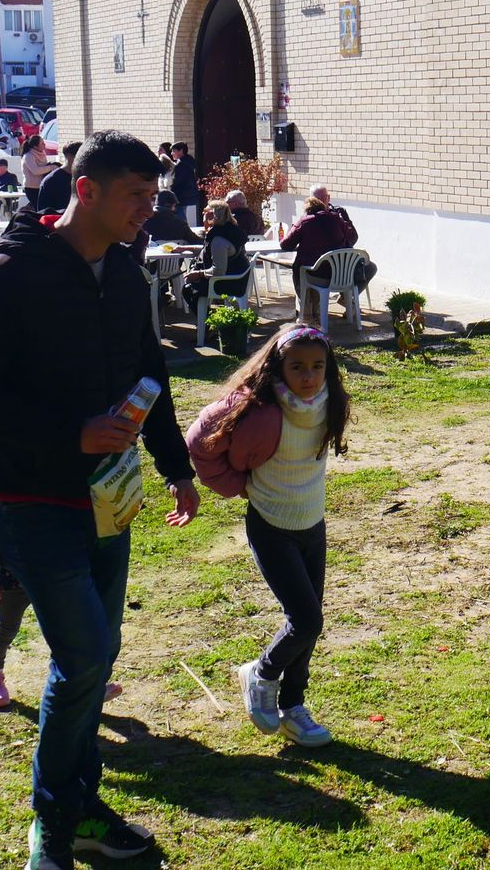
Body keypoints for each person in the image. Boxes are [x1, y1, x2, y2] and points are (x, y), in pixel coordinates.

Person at [0, 130, 200, 869]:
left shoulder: (121, 271)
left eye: (153, 198)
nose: (146, 212)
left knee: (94, 654)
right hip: (31, 497)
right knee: (85, 654)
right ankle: (54, 815)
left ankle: (80, 804)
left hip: (109, 497)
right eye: (133, 197)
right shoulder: (7, 272)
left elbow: (148, 367)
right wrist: (68, 433)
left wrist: (174, 462)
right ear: (84, 190)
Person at [186, 323, 351, 749]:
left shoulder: (331, 402)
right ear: (277, 367)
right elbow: (199, 439)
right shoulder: (256, 407)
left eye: (318, 366)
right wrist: (232, 484)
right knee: (306, 619)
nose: (309, 376)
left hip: (312, 525)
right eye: (297, 367)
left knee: (308, 623)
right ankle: (260, 674)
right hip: (271, 525)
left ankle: (293, 707)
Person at [0, 493, 123, 711]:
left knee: (67, 631)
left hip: (53, 576)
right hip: (12, 582)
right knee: (7, 627)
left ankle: (83, 687)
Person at [279, 195, 376, 323]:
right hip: (341, 276)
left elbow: (285, 244)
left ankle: (307, 314)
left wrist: (296, 232)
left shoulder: (304, 222)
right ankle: (343, 303)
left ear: (307, 210)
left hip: (318, 276)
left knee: (300, 270)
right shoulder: (336, 219)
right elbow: (352, 238)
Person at [182, 201, 252, 309]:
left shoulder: (218, 239)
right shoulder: (230, 230)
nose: (202, 215)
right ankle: (208, 318)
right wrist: (184, 248)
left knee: (188, 289)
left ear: (211, 215)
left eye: (204, 212)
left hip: (228, 283)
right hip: (236, 278)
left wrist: (198, 274)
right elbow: (208, 251)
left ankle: (207, 321)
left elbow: (218, 270)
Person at [38, 141, 83, 212]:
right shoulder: (51, 181)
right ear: (69, 157)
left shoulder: (83, 177)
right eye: (81, 157)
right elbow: (43, 212)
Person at [21, 132, 56, 209]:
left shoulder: (42, 153)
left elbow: (44, 167)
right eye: (42, 143)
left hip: (41, 186)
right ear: (35, 146)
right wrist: (51, 167)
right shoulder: (28, 156)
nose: (44, 145)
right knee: (38, 208)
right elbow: (35, 171)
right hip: (31, 187)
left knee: (43, 207)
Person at [168, 142, 200, 221]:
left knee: (182, 220)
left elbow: (176, 181)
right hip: (189, 197)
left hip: (182, 197)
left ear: (181, 151)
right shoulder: (188, 162)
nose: (172, 153)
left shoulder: (182, 165)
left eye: (174, 151)